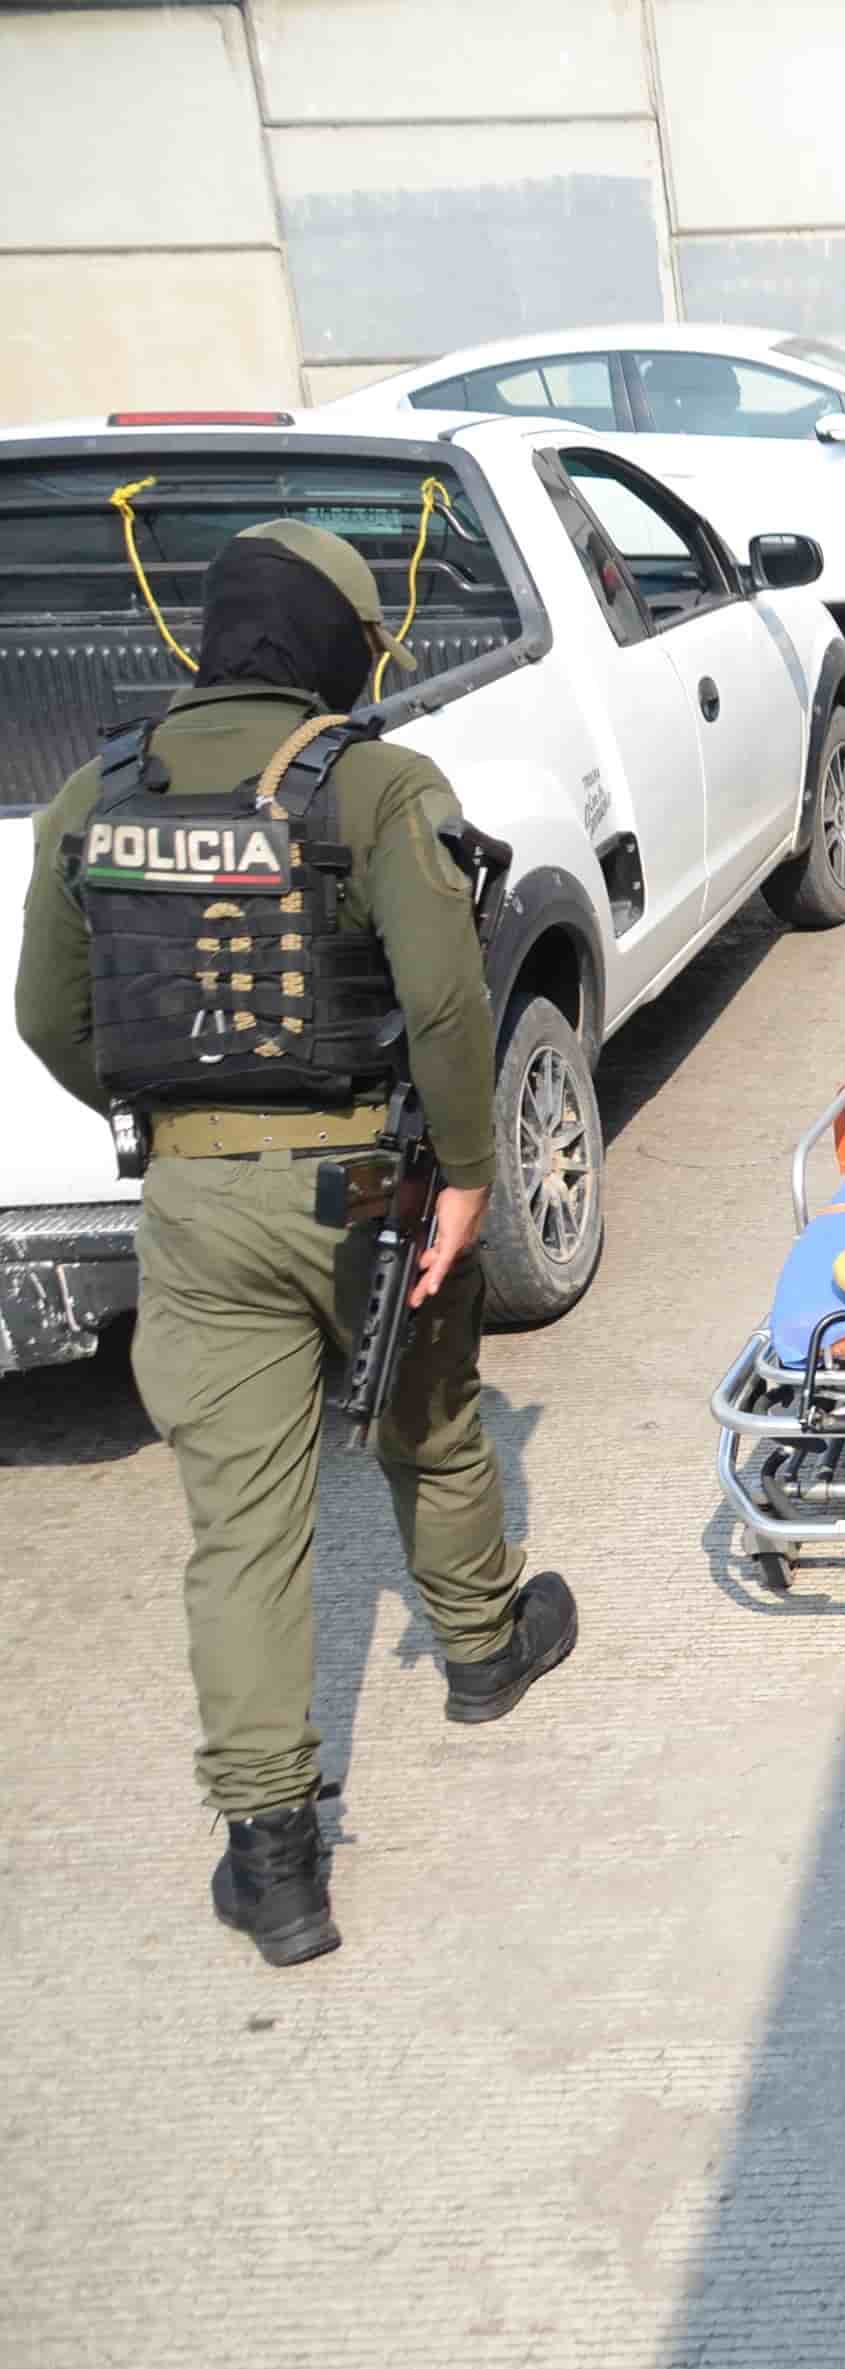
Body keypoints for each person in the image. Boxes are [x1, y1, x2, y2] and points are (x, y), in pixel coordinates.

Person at [13, 521, 580, 1969]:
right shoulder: (378, 782)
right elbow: (449, 1003)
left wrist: (179, 1121)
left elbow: (50, 1020)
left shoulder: (98, 790)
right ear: (331, 642)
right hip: (372, 1189)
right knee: (433, 1427)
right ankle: (478, 1652)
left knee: (242, 1526)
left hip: (193, 1208)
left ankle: (273, 1861)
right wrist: (467, 1177)